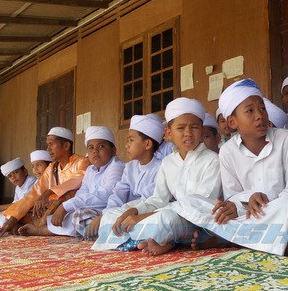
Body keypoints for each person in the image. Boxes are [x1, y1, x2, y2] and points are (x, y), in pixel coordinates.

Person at [176, 78, 288, 256]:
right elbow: (232, 196)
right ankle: (282, 240)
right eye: (250, 111)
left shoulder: (287, 138)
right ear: (232, 122)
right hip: (248, 215)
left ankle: (229, 238)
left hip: (280, 210)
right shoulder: (227, 151)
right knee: (192, 201)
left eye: (262, 108)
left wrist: (265, 203)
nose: (260, 115)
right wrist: (245, 200)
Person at [92, 97, 222, 255]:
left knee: (167, 219)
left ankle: (147, 238)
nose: (188, 133)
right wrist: (135, 210)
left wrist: (145, 216)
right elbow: (158, 199)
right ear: (168, 133)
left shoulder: (212, 160)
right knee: (113, 214)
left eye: (194, 127)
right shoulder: (168, 162)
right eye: (181, 128)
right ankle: (159, 239)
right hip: (167, 214)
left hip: (195, 220)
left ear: (201, 131)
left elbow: (200, 204)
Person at [17, 126, 124, 238]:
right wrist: (68, 207)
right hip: (93, 209)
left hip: (111, 209)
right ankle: (52, 229)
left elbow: (104, 195)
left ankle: (46, 230)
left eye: (101, 146)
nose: (95, 151)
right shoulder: (90, 170)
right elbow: (82, 192)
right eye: (91, 148)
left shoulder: (116, 167)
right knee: (71, 214)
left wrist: (66, 206)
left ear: (113, 150)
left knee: (78, 215)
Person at [0, 127, 90, 237]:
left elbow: (77, 180)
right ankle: (28, 226)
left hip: (72, 207)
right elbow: (33, 194)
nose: (48, 149)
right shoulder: (52, 167)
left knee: (62, 201)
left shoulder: (82, 162)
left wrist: (48, 192)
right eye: (47, 145)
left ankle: (40, 228)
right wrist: (13, 218)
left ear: (66, 146)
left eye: (51, 144)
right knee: (27, 211)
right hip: (51, 209)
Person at [92, 114, 164, 243]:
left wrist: (128, 211)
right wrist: (104, 215)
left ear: (147, 144)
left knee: (159, 220)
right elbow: (118, 194)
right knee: (109, 215)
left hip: (145, 212)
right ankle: (129, 238)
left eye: (131, 140)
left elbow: (150, 200)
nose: (126, 145)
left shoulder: (161, 167)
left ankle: (127, 238)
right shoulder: (130, 167)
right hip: (126, 212)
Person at [0, 157, 37, 227]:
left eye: (16, 172)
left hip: (32, 212)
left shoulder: (31, 181)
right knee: (0, 215)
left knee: (6, 217)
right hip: (22, 210)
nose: (13, 177)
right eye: (10, 176)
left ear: (25, 171)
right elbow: (15, 204)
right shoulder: (18, 187)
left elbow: (22, 204)